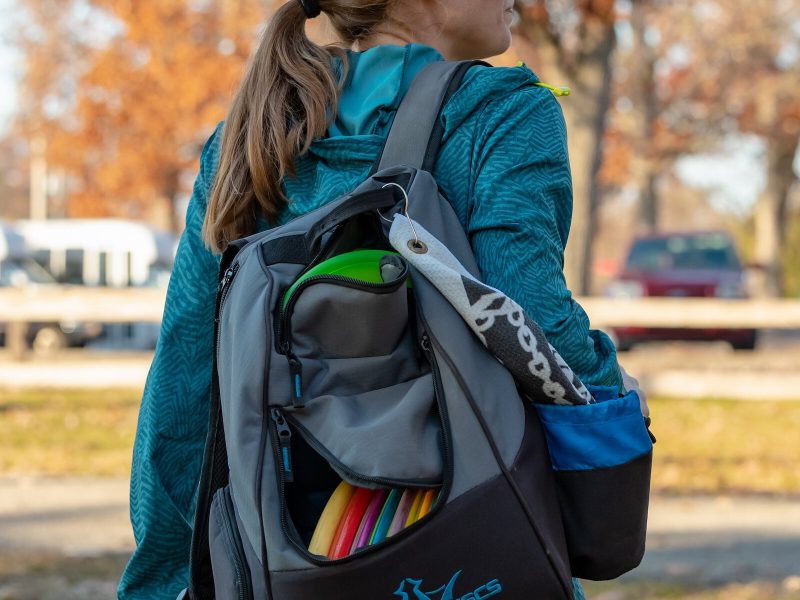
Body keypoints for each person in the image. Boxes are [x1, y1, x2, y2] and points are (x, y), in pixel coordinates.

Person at [118, 0, 647, 598]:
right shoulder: (502, 113)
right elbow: (531, 320)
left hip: (284, 558)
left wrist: (161, 583)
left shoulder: (248, 137)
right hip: (468, 557)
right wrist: (616, 400)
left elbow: (185, 383)